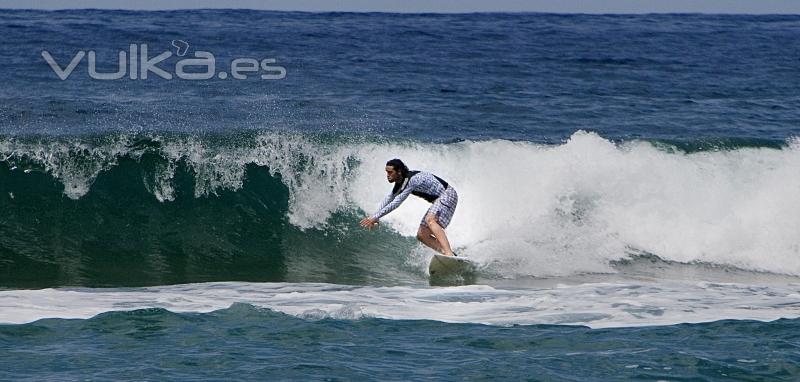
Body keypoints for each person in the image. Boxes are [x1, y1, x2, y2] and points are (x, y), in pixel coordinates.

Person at [360, 159, 459, 256]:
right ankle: (451, 256)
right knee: (422, 235)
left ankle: (448, 253)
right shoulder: (401, 181)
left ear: (399, 172)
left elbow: (396, 202)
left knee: (430, 219)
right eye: (386, 172)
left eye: (390, 172)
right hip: (440, 200)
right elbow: (390, 198)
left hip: (447, 194)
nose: (387, 175)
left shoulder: (412, 180)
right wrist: (375, 216)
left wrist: (375, 217)